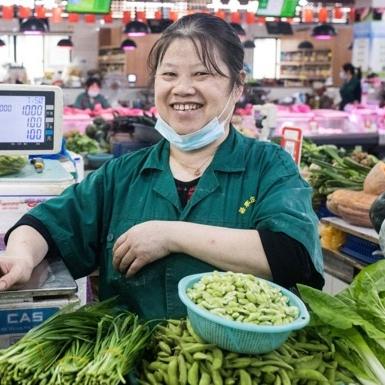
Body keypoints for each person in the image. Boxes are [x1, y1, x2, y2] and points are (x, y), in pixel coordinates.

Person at [0, 14, 324, 320]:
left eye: (202, 74)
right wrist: (20, 256)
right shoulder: (122, 175)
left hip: (236, 369)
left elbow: (293, 257)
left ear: (237, 85)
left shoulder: (268, 167)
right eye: (169, 75)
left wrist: (170, 235)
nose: (182, 88)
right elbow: (46, 224)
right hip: (131, 369)